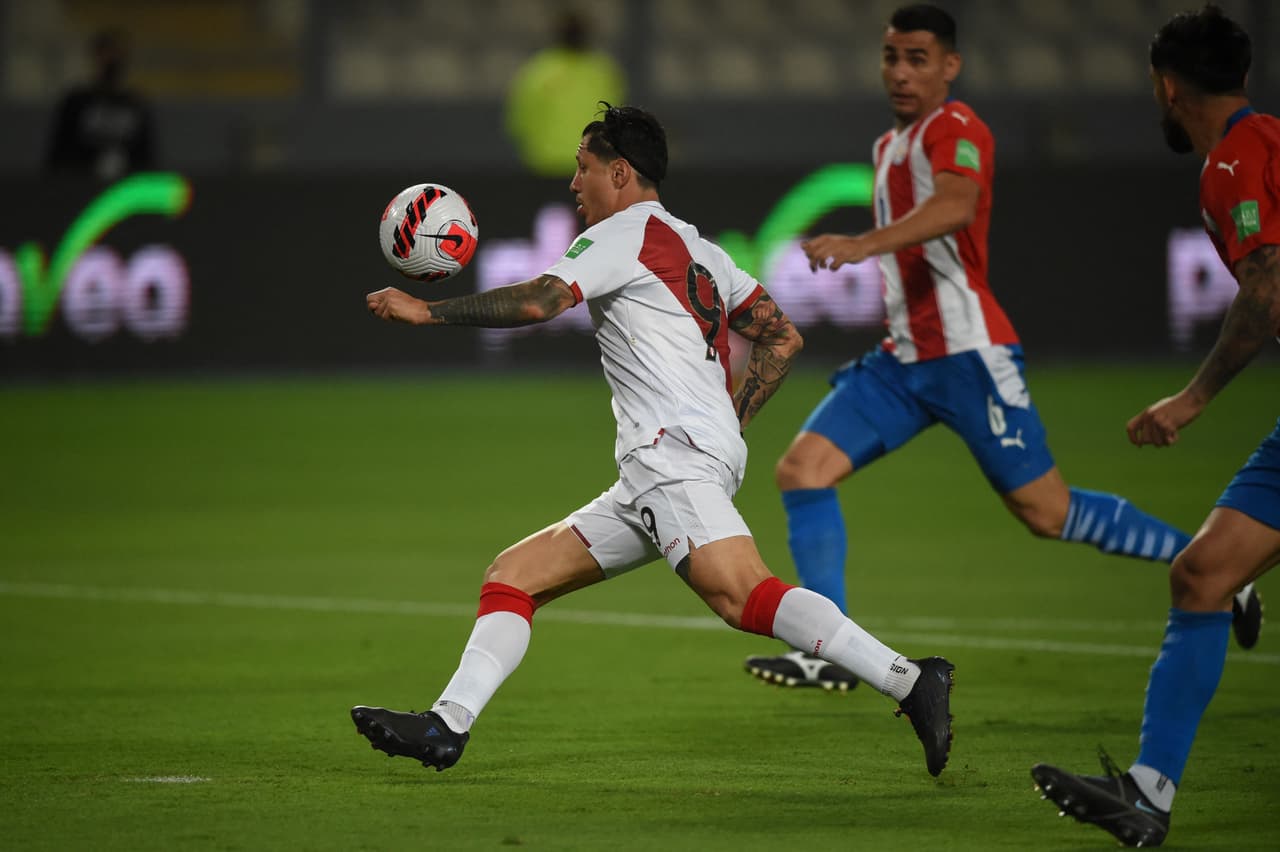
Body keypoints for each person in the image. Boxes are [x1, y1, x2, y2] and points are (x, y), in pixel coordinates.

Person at [352, 103, 957, 777]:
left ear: (620, 171)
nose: (574, 186)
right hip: (660, 468)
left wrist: (427, 311)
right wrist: (728, 420)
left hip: (672, 458)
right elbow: (782, 337)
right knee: (514, 576)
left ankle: (909, 679)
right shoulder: (701, 248)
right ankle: (447, 725)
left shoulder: (622, 233)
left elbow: (541, 302)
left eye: (583, 169)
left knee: (742, 596)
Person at [742, 2, 1262, 693]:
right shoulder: (886, 147)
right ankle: (831, 650)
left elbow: (957, 206)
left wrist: (861, 244)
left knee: (1047, 514)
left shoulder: (959, 128)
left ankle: (1221, 574)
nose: (900, 71)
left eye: (918, 58)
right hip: (903, 361)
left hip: (967, 356)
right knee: (802, 470)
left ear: (950, 67)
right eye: (891, 56)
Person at [1031, 6, 1278, 847]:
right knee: (1204, 574)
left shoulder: (1233, 163)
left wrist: (1193, 397)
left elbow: (1268, 288)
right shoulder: (1272, 140)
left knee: (1202, 575)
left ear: (1168, 87)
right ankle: (1148, 793)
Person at [505, 11, 627, 177]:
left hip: (549, 164)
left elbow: (519, 121)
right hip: (583, 165)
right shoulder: (603, 71)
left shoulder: (538, 70)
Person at [45, 29, 156, 180]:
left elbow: (146, 156)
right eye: (107, 53)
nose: (112, 59)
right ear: (95, 56)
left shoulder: (135, 104)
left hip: (124, 188)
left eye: (118, 53)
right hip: (79, 184)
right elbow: (59, 154)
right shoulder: (77, 102)